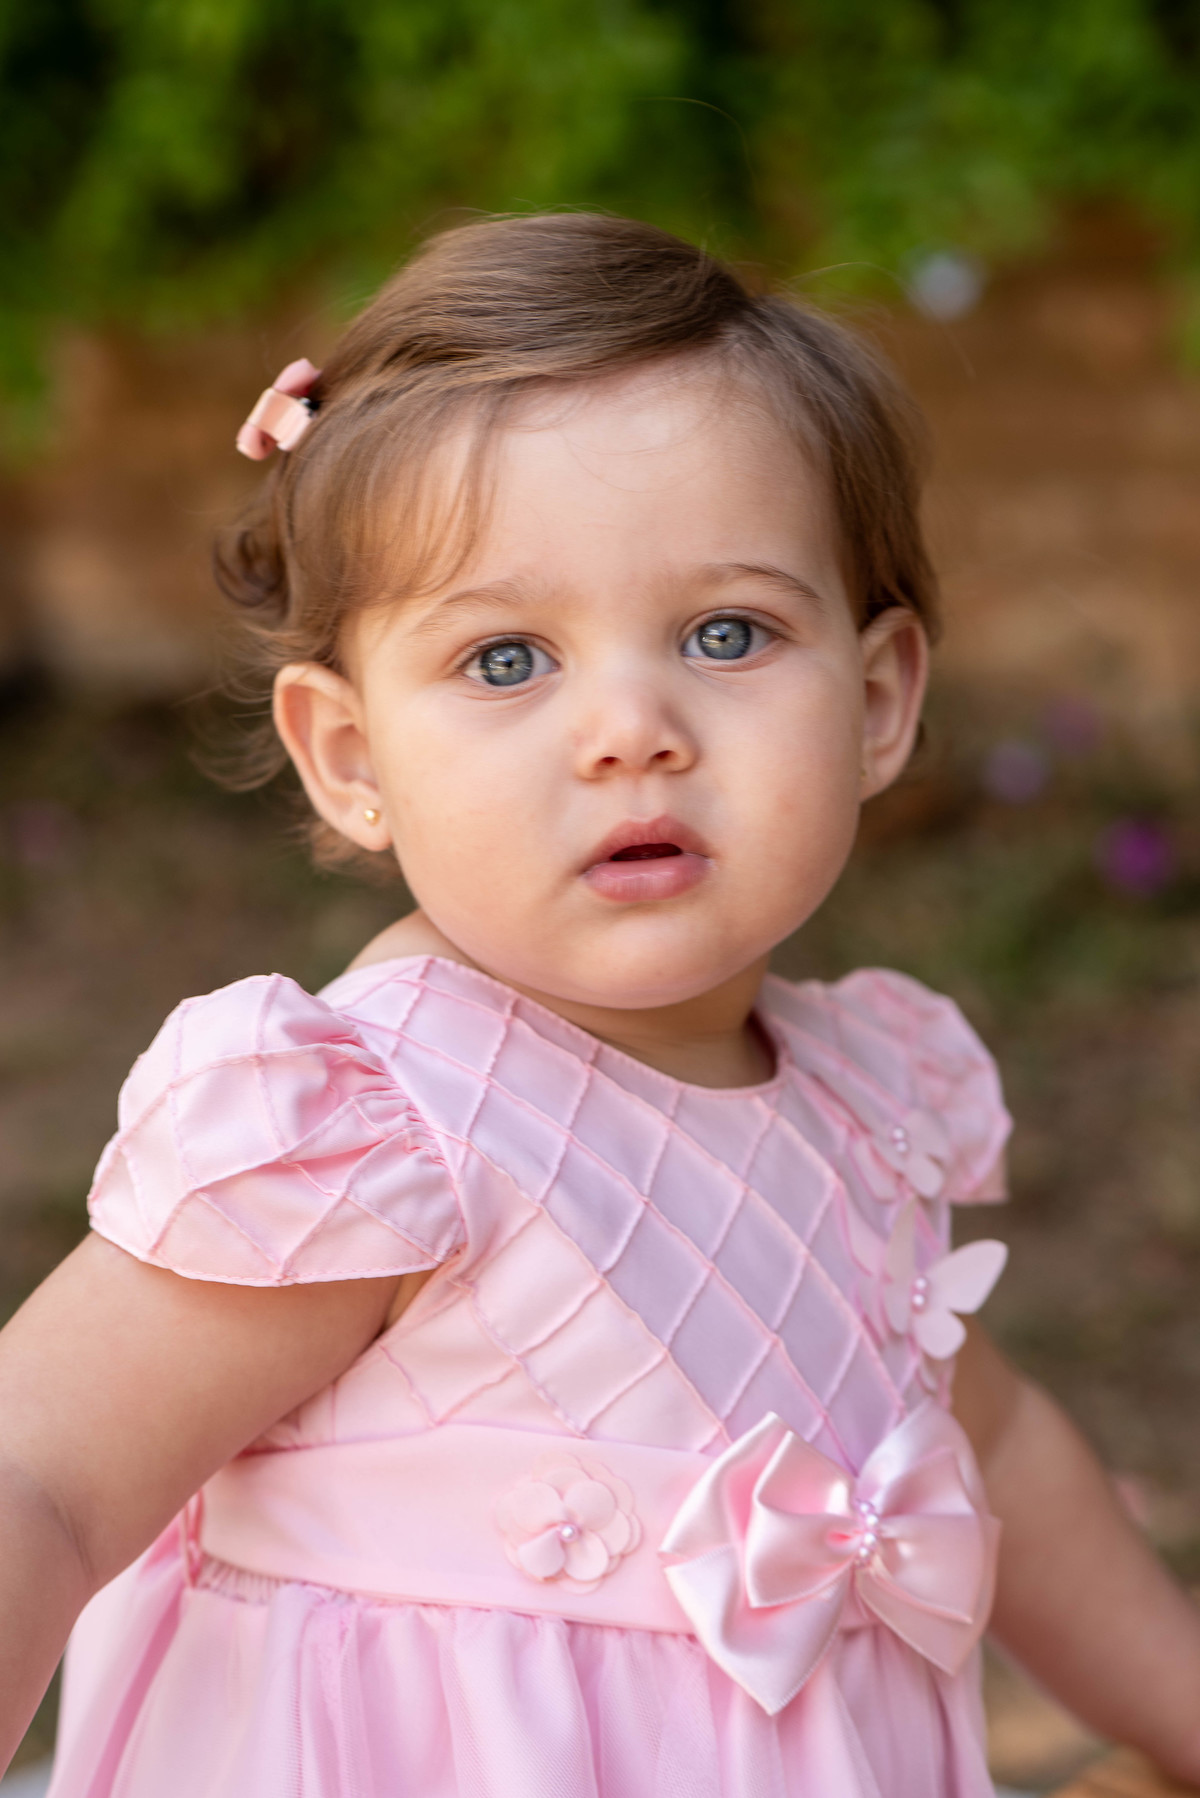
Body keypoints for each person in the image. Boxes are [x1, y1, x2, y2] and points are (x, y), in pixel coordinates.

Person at [0, 214, 1197, 1798]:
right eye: (508, 659)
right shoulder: (373, 1133)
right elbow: (44, 1480)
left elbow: (1004, 1458)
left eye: (726, 633)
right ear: (351, 756)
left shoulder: (869, 1100)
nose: (632, 727)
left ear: (876, 699)